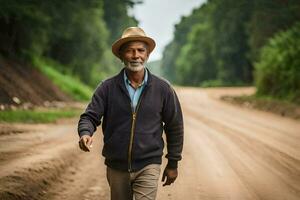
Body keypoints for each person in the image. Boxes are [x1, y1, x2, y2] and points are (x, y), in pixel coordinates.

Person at [77, 27, 184, 200]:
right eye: (129, 51)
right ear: (121, 56)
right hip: (116, 166)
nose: (136, 55)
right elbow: (90, 116)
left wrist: (173, 163)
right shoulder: (107, 88)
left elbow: (175, 126)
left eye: (141, 50)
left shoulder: (163, 89)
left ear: (147, 54)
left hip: (149, 164)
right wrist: (85, 133)